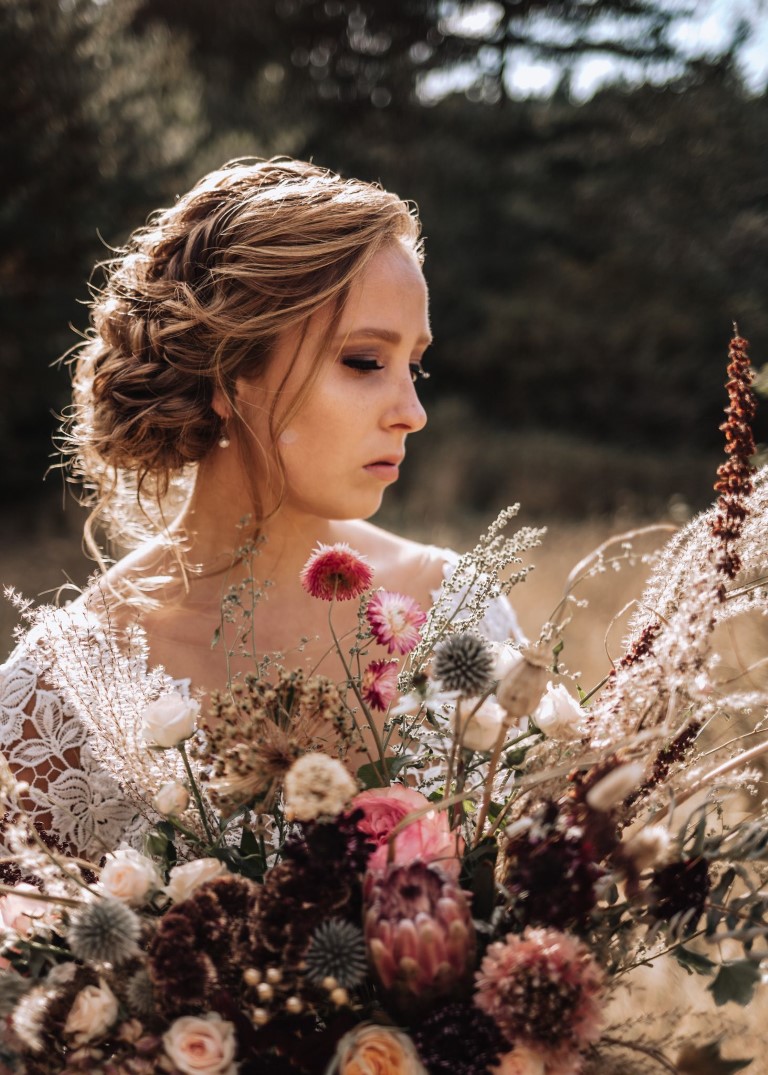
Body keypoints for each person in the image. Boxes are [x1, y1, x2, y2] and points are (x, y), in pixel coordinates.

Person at [0, 158, 520, 863]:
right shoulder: (60, 692)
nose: (413, 411)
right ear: (230, 373)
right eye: (366, 362)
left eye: (415, 366)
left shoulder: (459, 608)